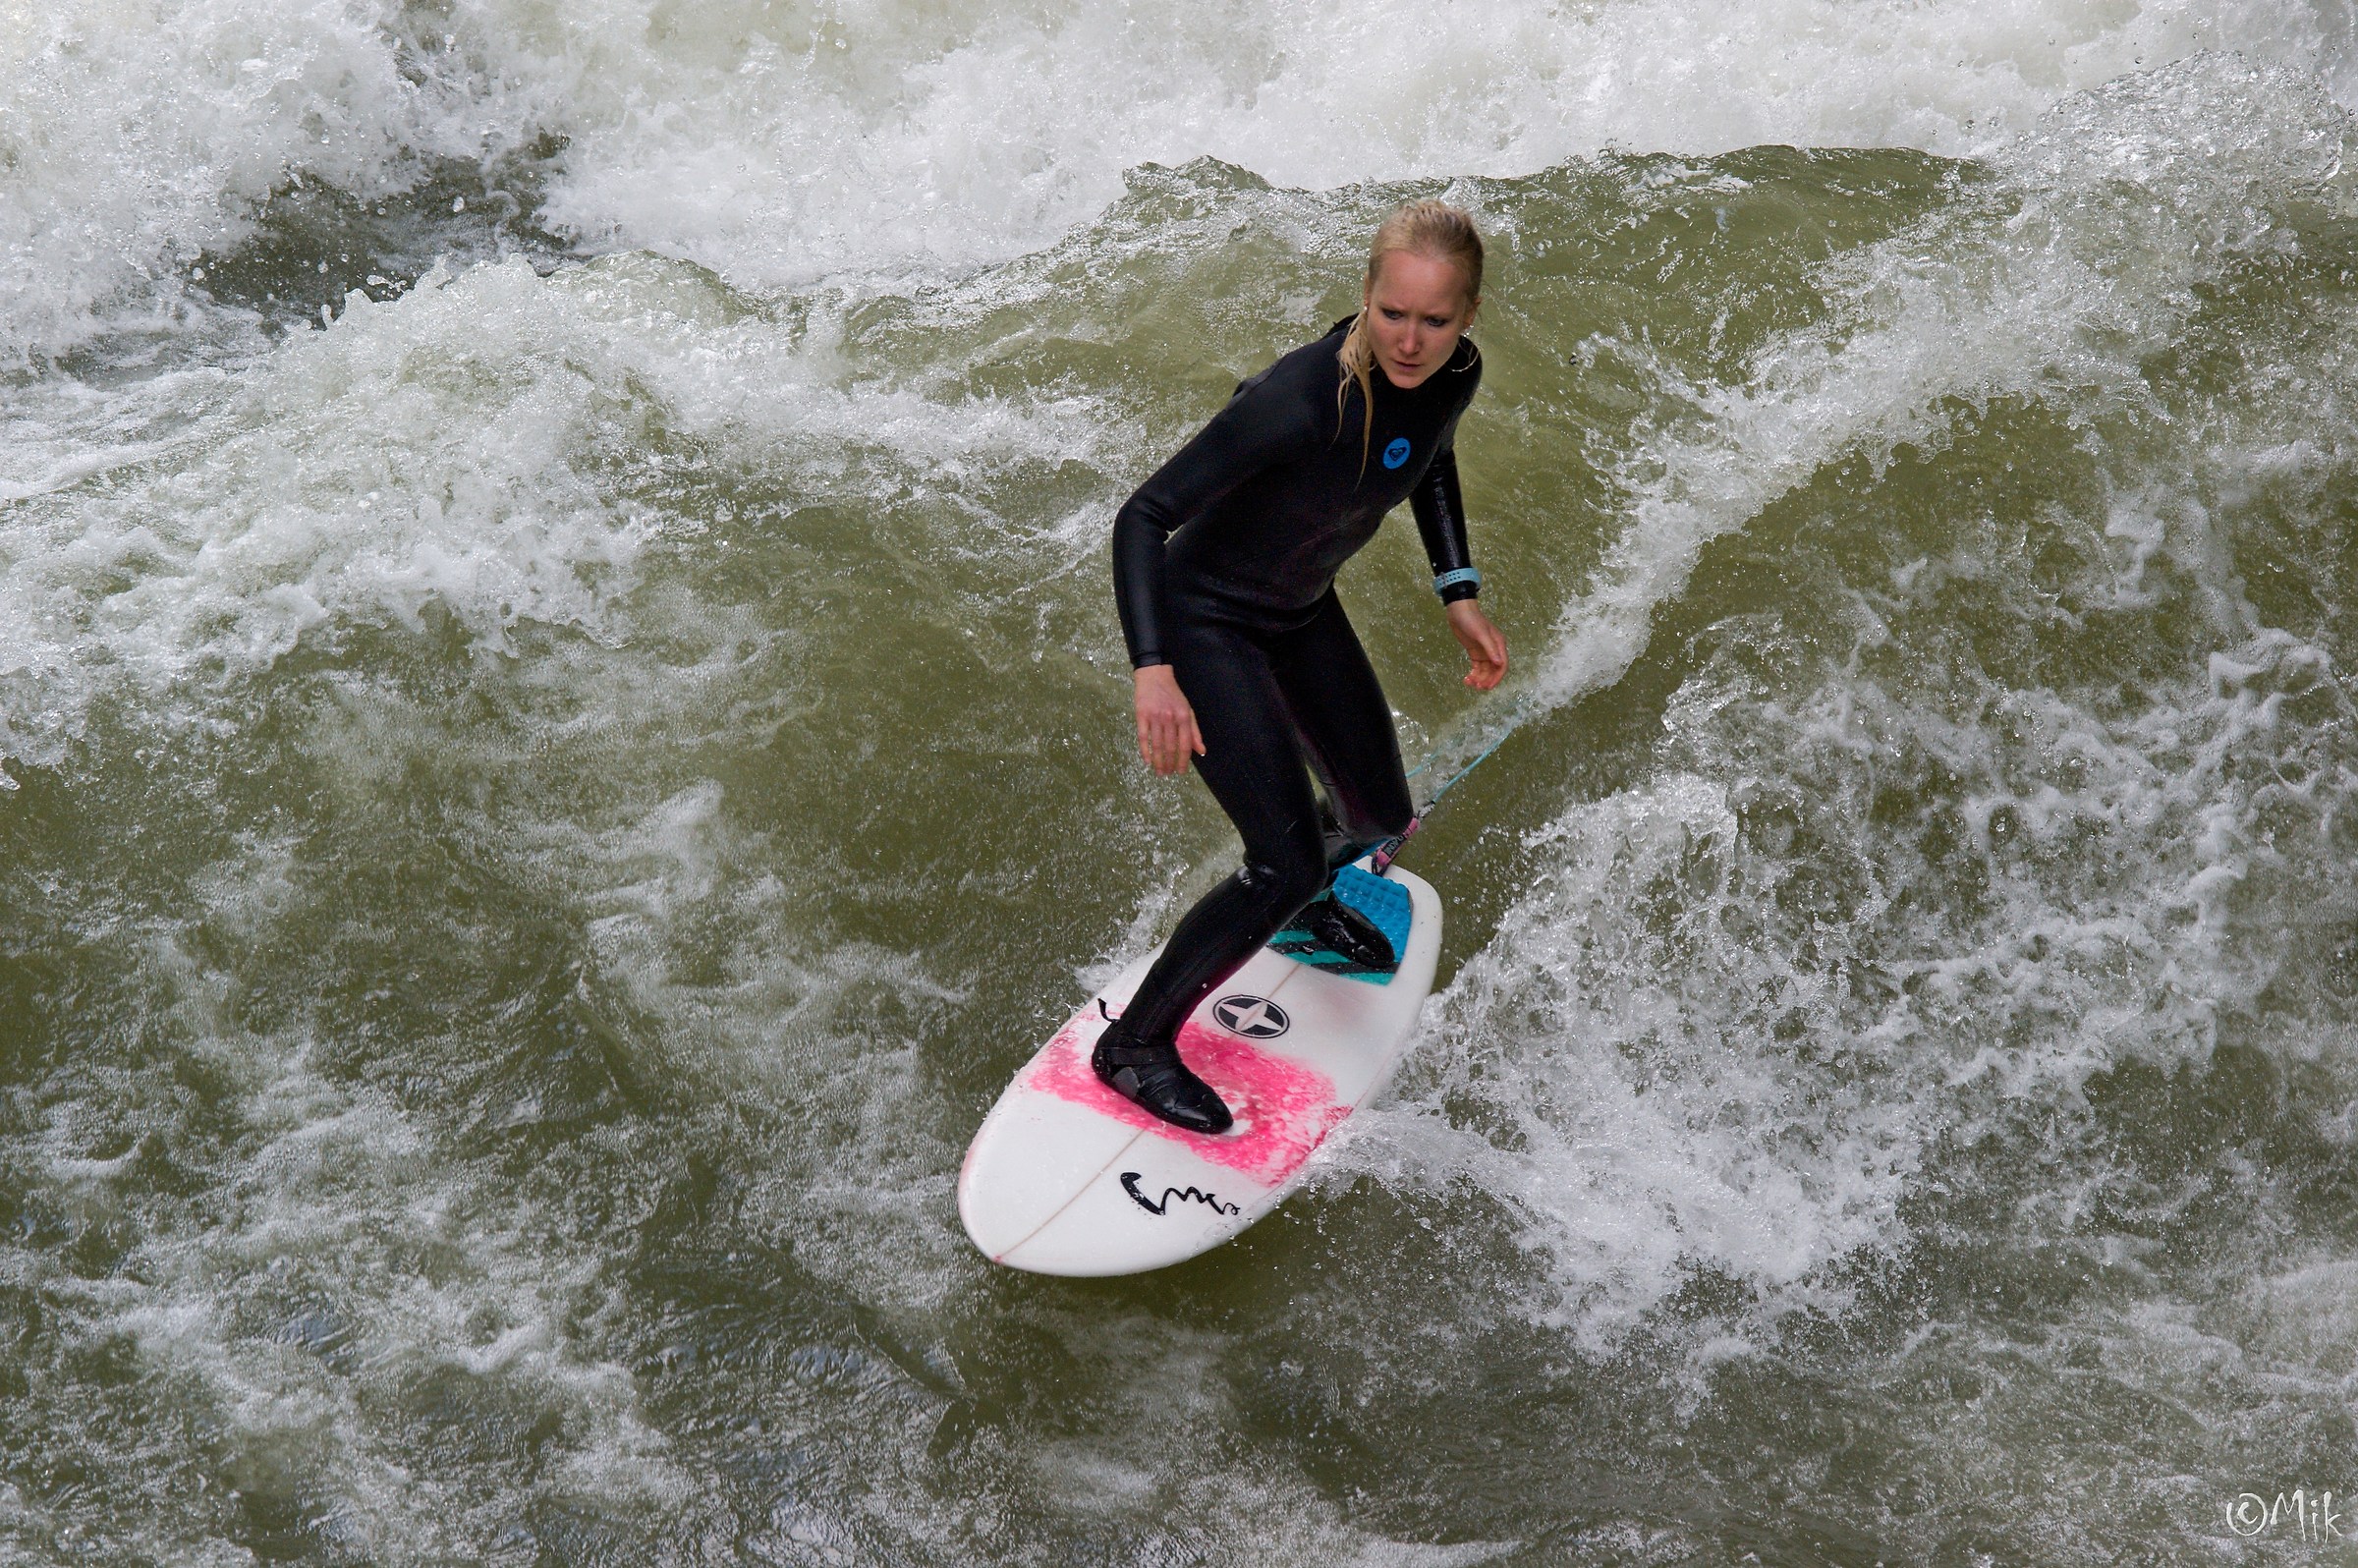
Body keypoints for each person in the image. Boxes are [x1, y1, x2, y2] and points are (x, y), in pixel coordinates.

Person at [1096, 199, 1508, 1134]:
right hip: (1204, 621)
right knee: (1280, 862)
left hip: (1297, 609)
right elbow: (1143, 516)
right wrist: (1153, 670)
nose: (1410, 340)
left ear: (1468, 317)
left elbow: (1432, 451)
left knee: (1377, 817)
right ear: (1365, 294)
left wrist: (1459, 590)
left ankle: (1298, 902)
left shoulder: (1455, 372)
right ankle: (1134, 1046)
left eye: (1435, 320)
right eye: (1391, 313)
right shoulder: (1303, 399)